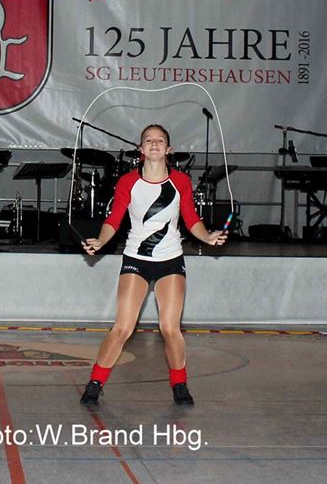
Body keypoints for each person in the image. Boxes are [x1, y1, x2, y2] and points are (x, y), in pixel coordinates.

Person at [77, 124, 230, 406]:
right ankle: (95, 383)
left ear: (168, 149)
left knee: (170, 328)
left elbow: (191, 218)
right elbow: (114, 219)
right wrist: (100, 241)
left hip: (170, 260)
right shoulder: (128, 182)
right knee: (123, 327)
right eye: (148, 140)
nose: (155, 144)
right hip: (136, 258)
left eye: (160, 140)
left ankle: (179, 384)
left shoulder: (181, 181)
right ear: (141, 149)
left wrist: (207, 236)